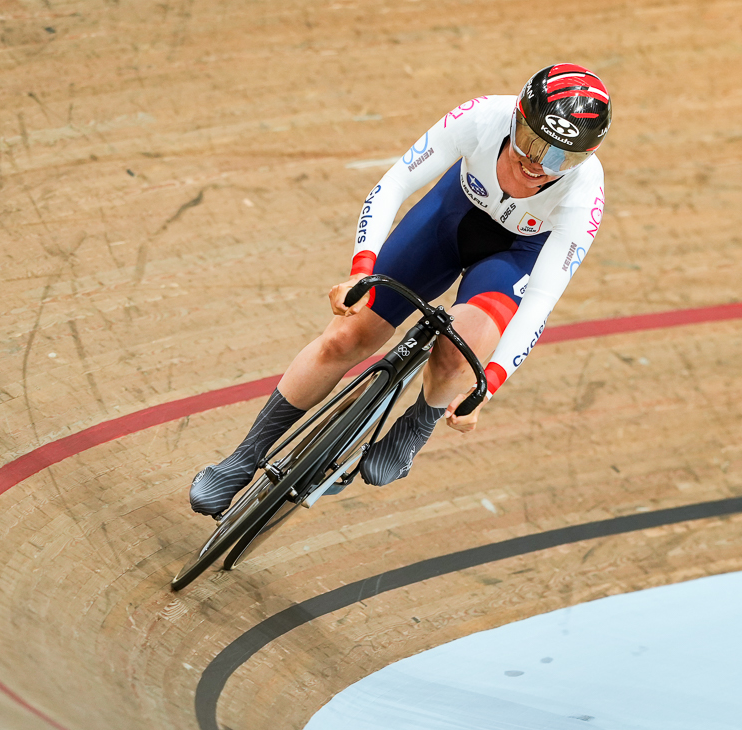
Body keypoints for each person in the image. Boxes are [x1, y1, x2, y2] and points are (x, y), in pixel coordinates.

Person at [189, 64, 610, 517]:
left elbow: (541, 301)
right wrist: (360, 269)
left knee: (460, 351)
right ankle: (243, 458)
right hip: (450, 219)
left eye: (558, 159)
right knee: (345, 337)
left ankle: (419, 421)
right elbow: (394, 184)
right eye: (531, 143)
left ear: (583, 158)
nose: (536, 164)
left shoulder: (583, 195)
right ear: (516, 118)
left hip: (515, 255)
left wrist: (487, 387)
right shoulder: (483, 117)